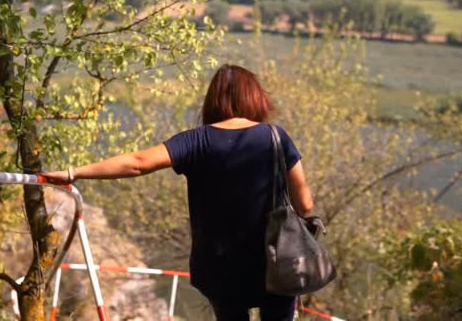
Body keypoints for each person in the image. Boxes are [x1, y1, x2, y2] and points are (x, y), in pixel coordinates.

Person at [42, 64, 314, 321]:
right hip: (275, 260)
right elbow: (305, 204)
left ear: (213, 101)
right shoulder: (276, 137)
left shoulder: (196, 140)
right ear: (255, 98)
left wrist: (72, 173)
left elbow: (137, 163)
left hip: (220, 267)